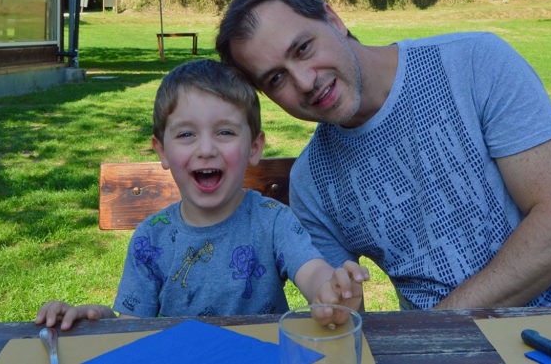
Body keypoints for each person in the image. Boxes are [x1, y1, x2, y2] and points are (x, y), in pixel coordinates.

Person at [216, 0, 551, 310]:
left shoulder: (475, 64)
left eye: (303, 48)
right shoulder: (312, 182)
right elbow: (344, 313)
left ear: (333, 19)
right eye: (276, 79)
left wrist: (435, 330)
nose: (304, 81)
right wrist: (336, 301)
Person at [36, 59, 368, 330]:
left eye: (225, 132)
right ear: (162, 151)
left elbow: (311, 272)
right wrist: (96, 321)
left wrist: (330, 290)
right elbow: (133, 328)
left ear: (254, 148)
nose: (206, 149)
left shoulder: (273, 221)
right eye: (185, 134)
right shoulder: (151, 238)